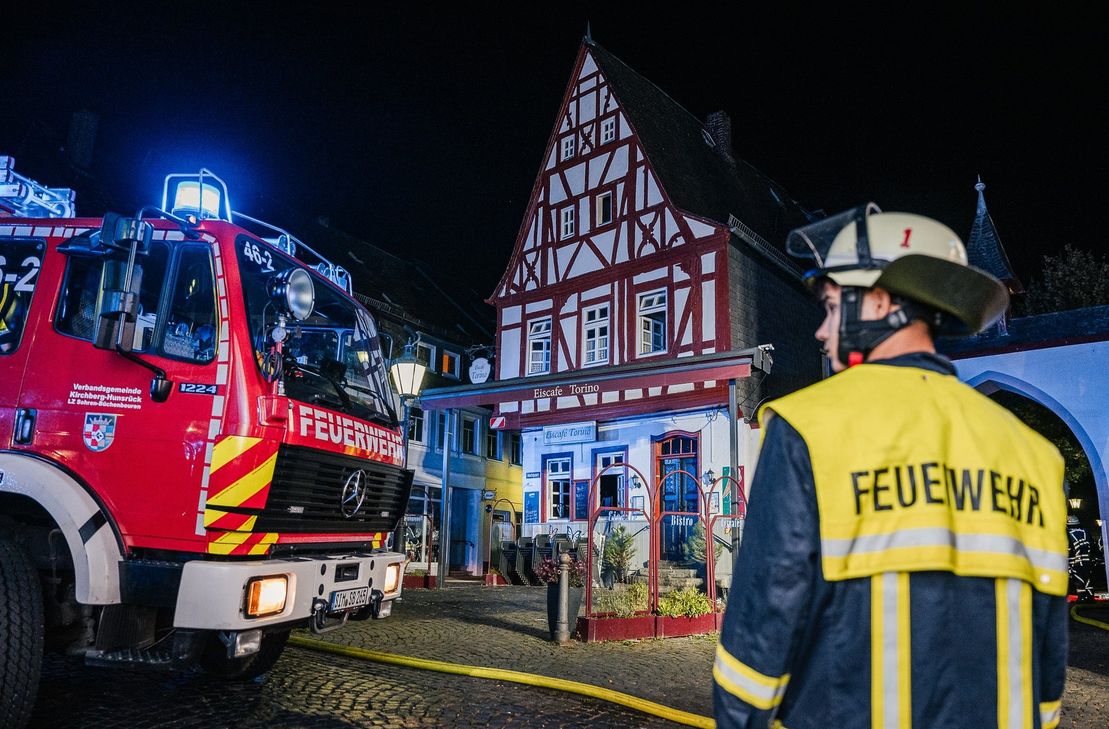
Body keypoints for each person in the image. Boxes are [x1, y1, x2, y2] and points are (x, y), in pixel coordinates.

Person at [713, 205, 1069, 729]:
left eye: (833, 307)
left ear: (879, 300)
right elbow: (1048, 663)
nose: (821, 331)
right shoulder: (1035, 457)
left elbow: (761, 628)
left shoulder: (808, 427)